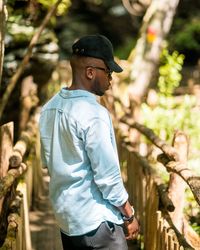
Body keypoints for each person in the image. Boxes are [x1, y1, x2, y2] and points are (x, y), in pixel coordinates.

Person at [39, 34, 139, 250]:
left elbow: (47, 163)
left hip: (68, 223)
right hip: (98, 224)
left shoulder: (49, 109)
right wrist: (129, 216)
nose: (111, 79)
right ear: (90, 72)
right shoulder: (94, 114)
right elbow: (108, 177)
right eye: (109, 72)